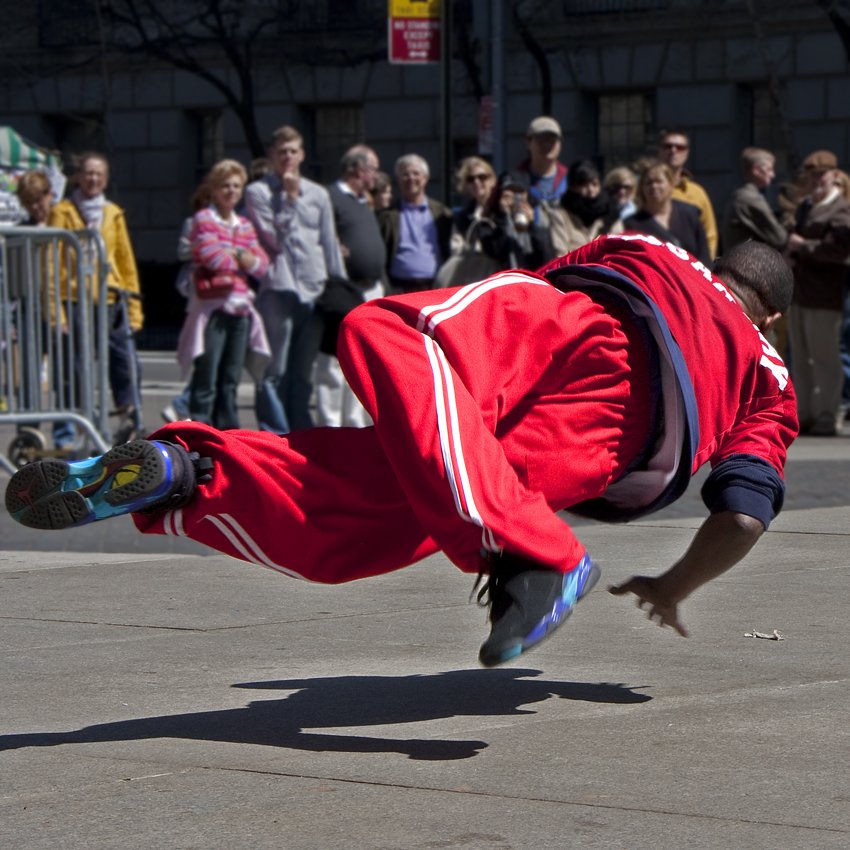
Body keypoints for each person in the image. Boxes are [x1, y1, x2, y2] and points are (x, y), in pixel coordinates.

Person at [6, 234, 797, 669]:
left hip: (582, 326)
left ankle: (536, 553)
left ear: (718, 261)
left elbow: (531, 288)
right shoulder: (770, 377)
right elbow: (743, 514)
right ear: (775, 321)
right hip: (618, 445)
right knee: (385, 508)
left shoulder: (654, 249)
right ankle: (189, 476)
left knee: (394, 334)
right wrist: (673, 583)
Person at [244, 125, 346, 433]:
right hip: (279, 289)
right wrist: (288, 199)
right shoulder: (258, 192)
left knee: (303, 371)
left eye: (292, 151)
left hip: (315, 289)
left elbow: (328, 241)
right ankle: (274, 431)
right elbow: (272, 239)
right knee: (273, 369)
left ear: (301, 154)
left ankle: (301, 434)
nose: (287, 157)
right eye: (281, 152)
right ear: (272, 156)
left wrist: (339, 288)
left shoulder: (318, 194)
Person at [48, 152, 144, 437]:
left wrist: (135, 307)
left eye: (99, 174)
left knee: (126, 363)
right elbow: (50, 264)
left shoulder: (113, 212)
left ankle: (129, 422)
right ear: (78, 176)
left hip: (111, 298)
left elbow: (125, 261)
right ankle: (67, 432)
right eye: (88, 173)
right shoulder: (62, 211)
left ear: (106, 178)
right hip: (73, 298)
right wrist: (55, 310)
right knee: (74, 369)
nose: (93, 179)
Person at [176, 159, 270, 430]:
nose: (230, 190)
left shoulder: (244, 224)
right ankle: (198, 434)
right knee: (207, 376)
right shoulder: (203, 218)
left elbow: (262, 265)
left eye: (236, 186)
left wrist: (235, 254)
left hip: (241, 309)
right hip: (211, 310)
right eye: (225, 185)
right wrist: (242, 257)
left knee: (230, 379)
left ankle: (228, 435)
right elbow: (211, 257)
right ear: (214, 190)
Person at [315, 144, 387, 428]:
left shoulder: (362, 201)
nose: (377, 176)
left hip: (368, 289)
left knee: (359, 361)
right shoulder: (331, 198)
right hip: (342, 290)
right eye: (373, 169)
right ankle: (330, 424)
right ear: (358, 169)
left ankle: (355, 422)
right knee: (333, 362)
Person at [785, 149, 850, 436]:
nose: (816, 181)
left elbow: (840, 250)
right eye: (811, 176)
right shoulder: (806, 206)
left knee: (824, 357)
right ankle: (805, 413)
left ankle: (827, 412)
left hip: (825, 294)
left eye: (821, 175)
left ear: (834, 175)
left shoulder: (841, 209)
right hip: (800, 291)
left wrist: (803, 246)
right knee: (801, 356)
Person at [378, 153, 452, 294]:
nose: (411, 178)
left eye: (416, 173)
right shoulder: (387, 216)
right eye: (405, 174)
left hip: (434, 288)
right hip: (398, 289)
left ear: (425, 178)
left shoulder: (442, 213)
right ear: (398, 179)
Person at [623, 160, 711, 264]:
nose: (654, 186)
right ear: (642, 188)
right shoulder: (632, 224)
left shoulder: (689, 214)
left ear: (671, 184)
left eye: (659, 181)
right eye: (649, 182)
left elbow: (704, 255)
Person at [657, 129, 719, 259]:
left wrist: (705, 266)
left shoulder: (697, 192)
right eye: (668, 146)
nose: (673, 150)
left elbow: (710, 235)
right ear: (659, 150)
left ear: (687, 153)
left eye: (680, 147)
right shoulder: (644, 188)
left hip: (690, 269)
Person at [518, 115, 570, 262]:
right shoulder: (516, 182)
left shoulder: (571, 181)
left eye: (552, 139)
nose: (547, 144)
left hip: (565, 258)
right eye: (541, 139)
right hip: (529, 260)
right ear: (528, 142)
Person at [722, 147, 788, 252]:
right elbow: (780, 238)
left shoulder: (739, 195)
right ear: (756, 170)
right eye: (769, 169)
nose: (773, 175)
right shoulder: (750, 199)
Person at [555, 159, 621, 253]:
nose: (591, 190)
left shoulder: (611, 213)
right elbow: (560, 255)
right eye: (583, 185)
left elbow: (618, 252)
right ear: (572, 187)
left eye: (595, 184)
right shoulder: (561, 216)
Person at [452, 156, 497, 248]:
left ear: (492, 180)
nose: (476, 182)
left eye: (482, 177)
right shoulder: (463, 217)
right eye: (470, 179)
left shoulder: (502, 209)